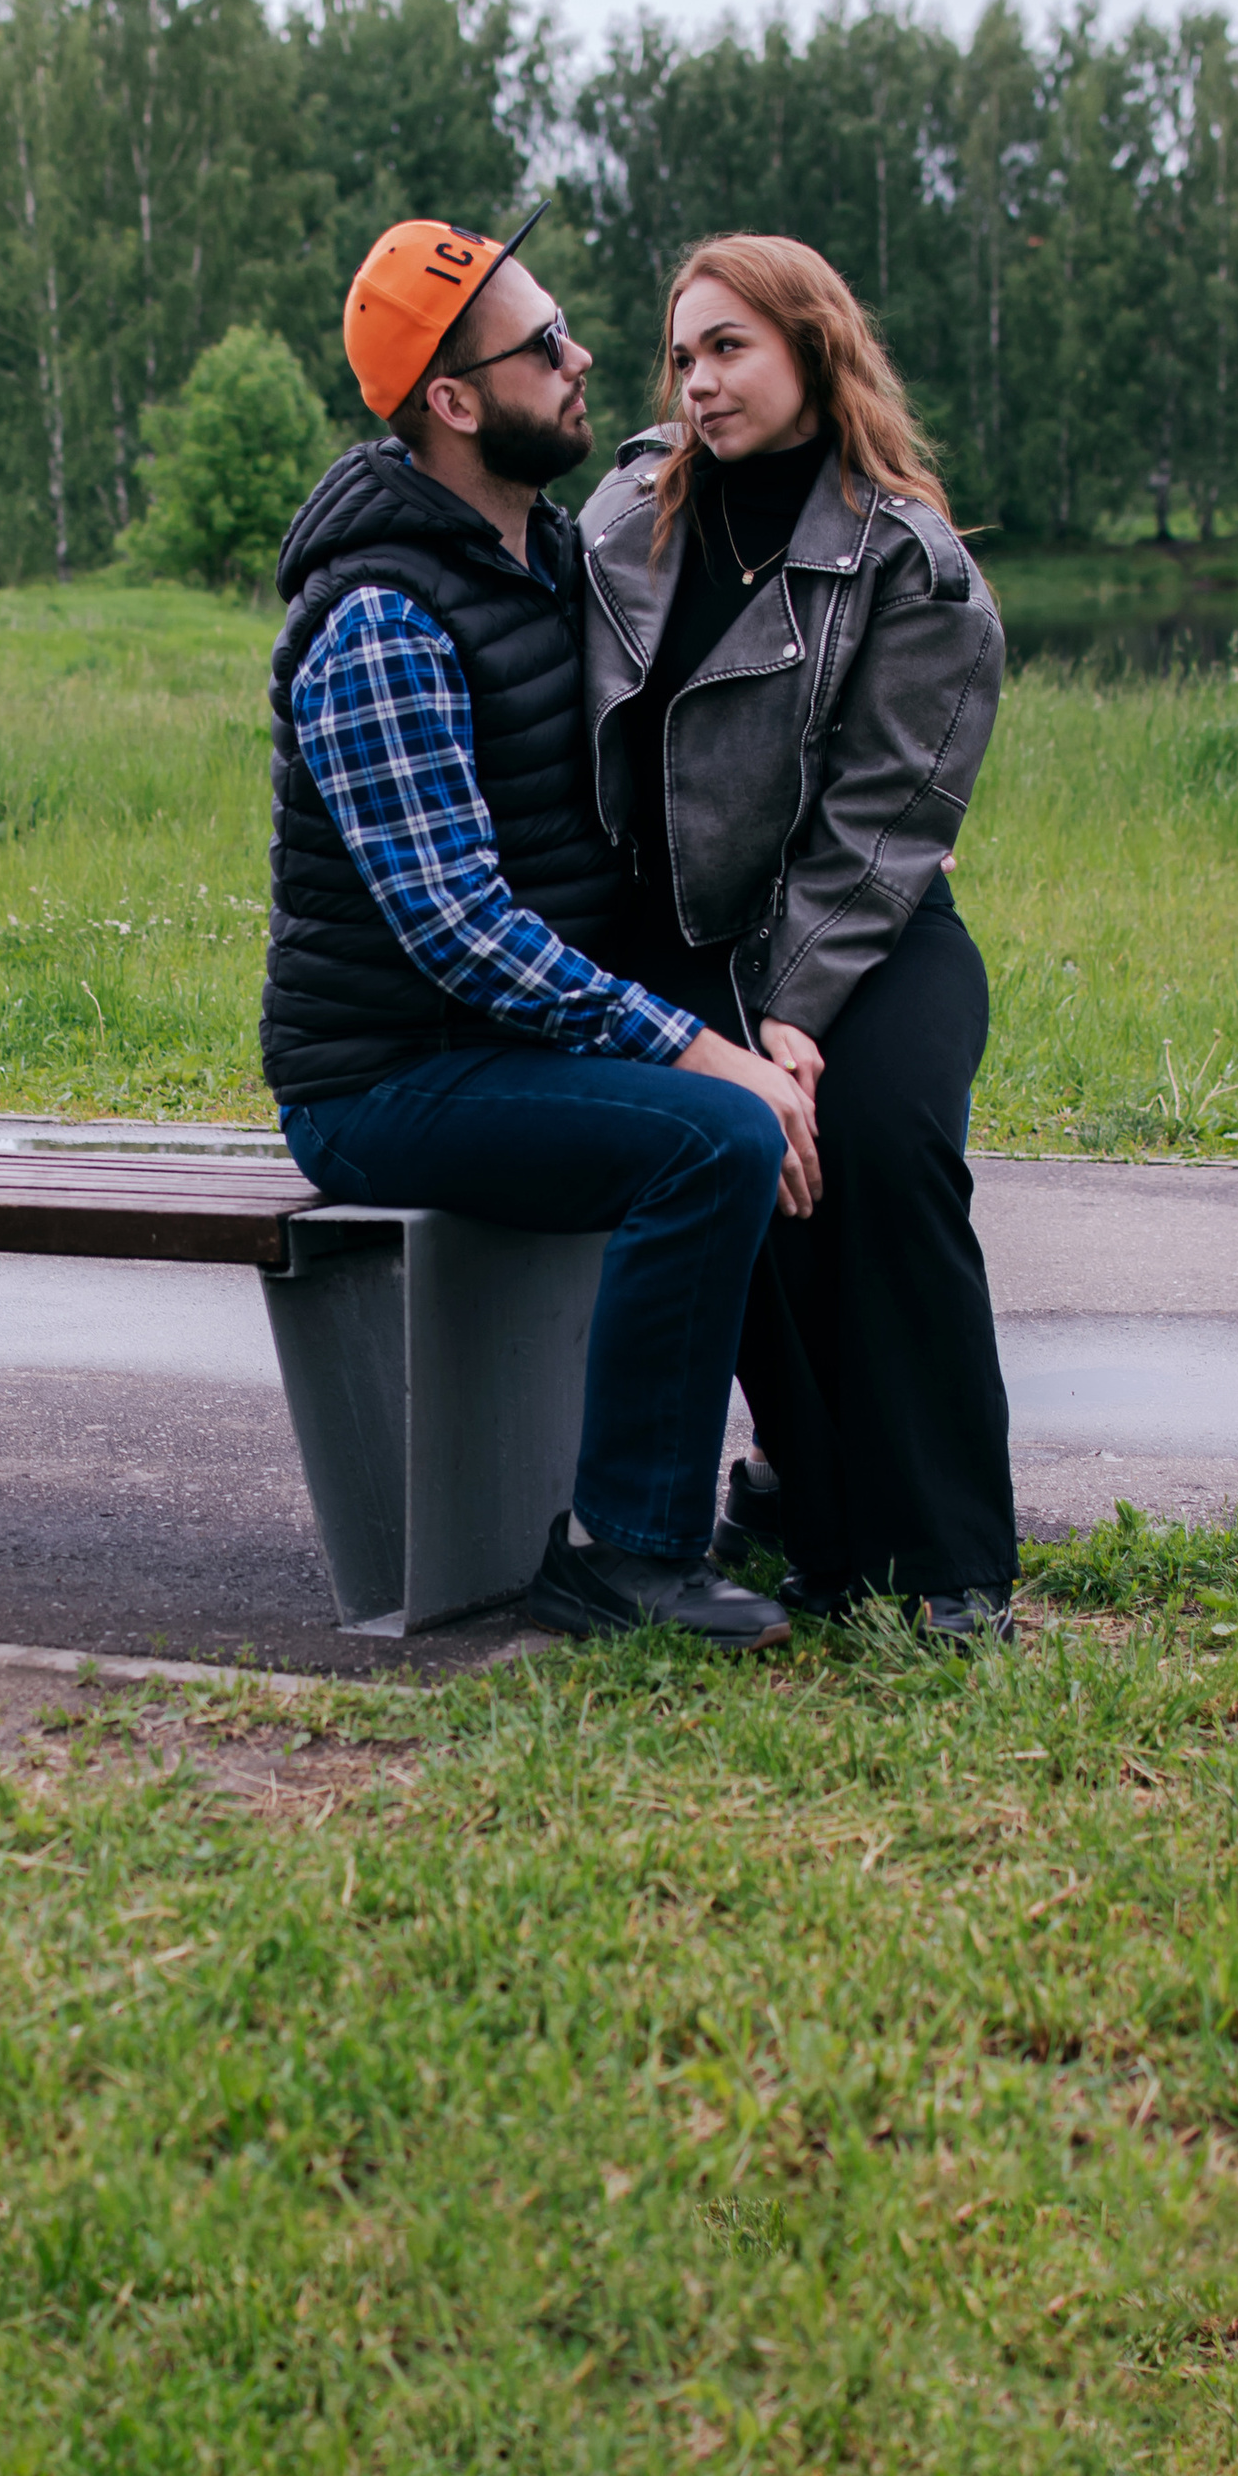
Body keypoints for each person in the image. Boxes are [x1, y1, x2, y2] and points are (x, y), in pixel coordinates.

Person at [265, 206, 823, 1651]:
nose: (585, 360)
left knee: (788, 1098)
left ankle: (816, 1483)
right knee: (714, 1133)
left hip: (493, 1044)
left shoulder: (544, 552)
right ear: (453, 402)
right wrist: (695, 1051)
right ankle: (625, 1556)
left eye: (566, 324)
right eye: (542, 347)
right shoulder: (381, 615)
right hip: (387, 1075)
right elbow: (456, 926)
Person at [579, 232, 1019, 1641]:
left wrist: (794, 1018)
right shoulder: (622, 514)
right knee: (744, 1155)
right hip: (683, 943)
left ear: (813, 350)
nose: (701, 380)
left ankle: (950, 1562)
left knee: (881, 1150)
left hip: (869, 933)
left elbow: (889, 816)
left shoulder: (908, 559)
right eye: (685, 352)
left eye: (733, 347)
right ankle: (818, 1517)